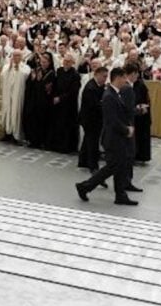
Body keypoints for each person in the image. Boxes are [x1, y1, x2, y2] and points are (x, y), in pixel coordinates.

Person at [75, 68, 139, 206]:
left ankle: (120, 194)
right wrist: (126, 130)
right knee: (112, 167)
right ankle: (85, 186)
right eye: (123, 78)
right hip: (113, 138)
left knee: (117, 166)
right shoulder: (109, 96)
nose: (125, 81)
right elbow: (111, 120)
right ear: (117, 78)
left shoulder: (115, 94)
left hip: (116, 138)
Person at [22, 52, 56, 149]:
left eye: (46, 61)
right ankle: (33, 140)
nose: (43, 63)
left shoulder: (52, 73)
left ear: (49, 63)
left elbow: (49, 89)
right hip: (34, 101)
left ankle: (43, 141)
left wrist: (41, 81)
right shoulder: (36, 70)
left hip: (44, 102)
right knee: (33, 121)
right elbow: (29, 85)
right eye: (42, 61)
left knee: (43, 122)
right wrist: (32, 79)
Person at [78, 66, 107, 175]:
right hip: (90, 120)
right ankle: (93, 166)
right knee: (93, 143)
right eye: (104, 76)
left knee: (88, 140)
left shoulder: (98, 85)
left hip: (93, 119)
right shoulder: (91, 87)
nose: (105, 79)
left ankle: (83, 161)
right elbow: (94, 106)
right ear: (97, 74)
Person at [52, 53, 81, 153]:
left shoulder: (75, 75)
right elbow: (55, 85)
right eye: (65, 61)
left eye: (68, 61)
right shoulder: (59, 71)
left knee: (67, 126)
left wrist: (60, 98)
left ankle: (67, 147)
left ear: (72, 63)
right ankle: (57, 145)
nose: (66, 63)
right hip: (58, 103)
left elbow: (73, 91)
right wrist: (55, 96)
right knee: (58, 124)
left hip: (69, 104)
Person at [0, 49, 30, 143]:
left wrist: (18, 70)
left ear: (21, 57)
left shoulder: (25, 67)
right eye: (14, 55)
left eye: (18, 55)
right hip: (8, 94)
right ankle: (7, 133)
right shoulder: (6, 66)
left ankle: (16, 134)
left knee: (16, 112)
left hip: (18, 94)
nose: (16, 57)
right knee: (7, 111)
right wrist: (9, 68)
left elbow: (25, 76)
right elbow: (2, 76)